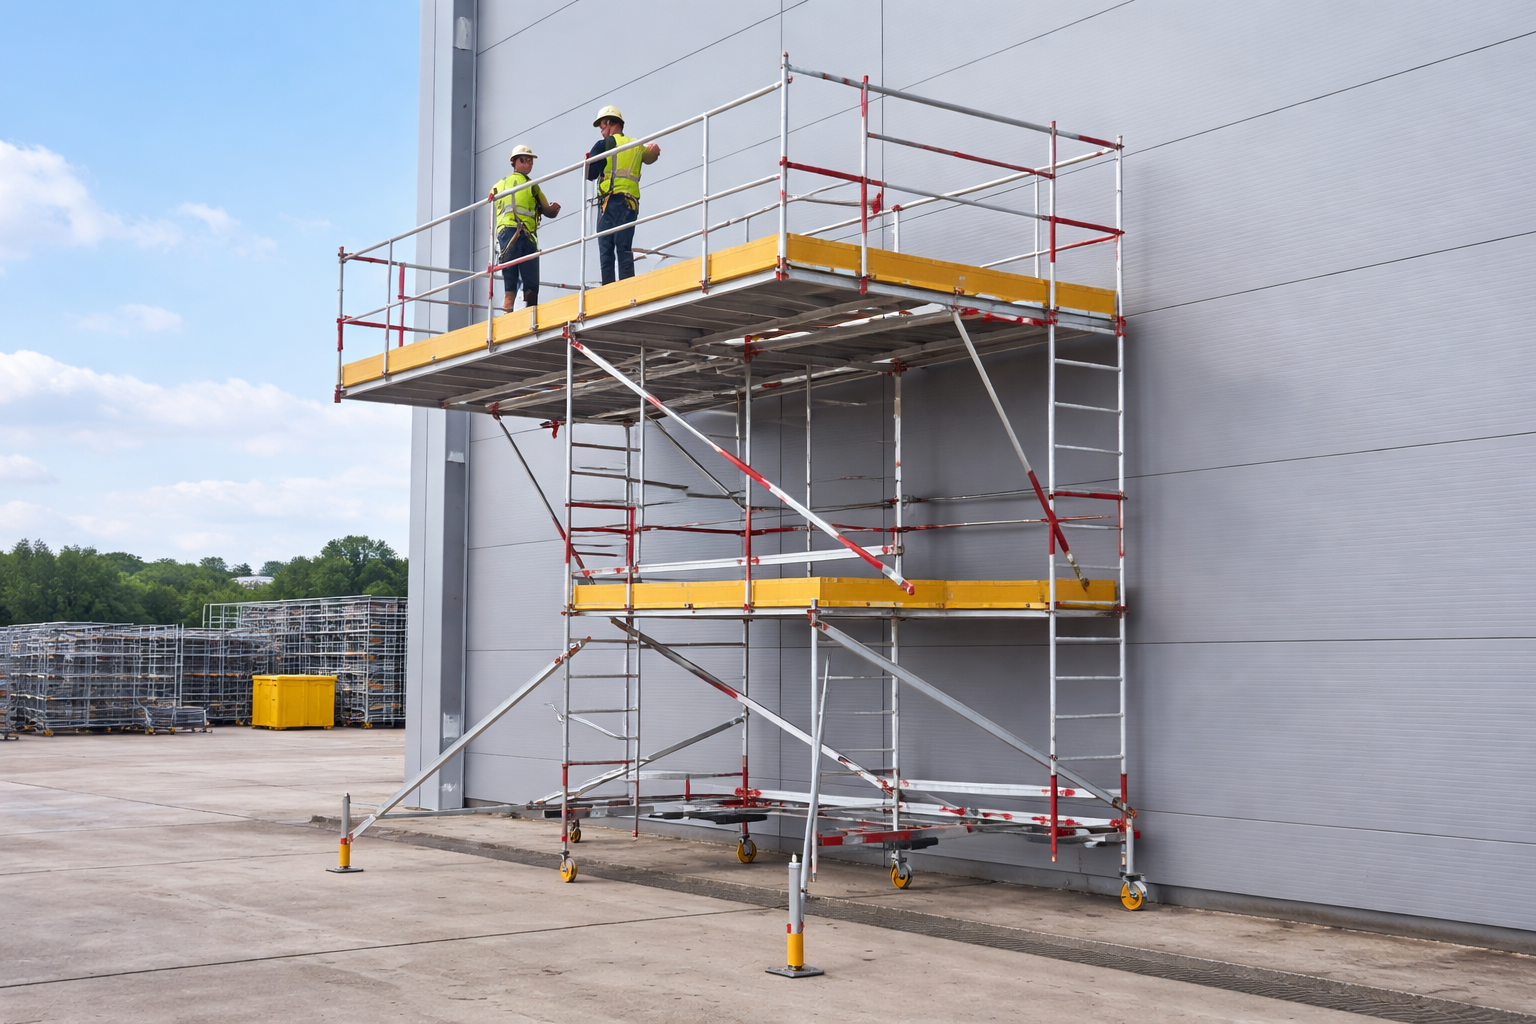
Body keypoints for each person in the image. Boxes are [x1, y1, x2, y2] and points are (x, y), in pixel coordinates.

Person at [585, 105, 660, 284]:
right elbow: (651, 156)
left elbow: (590, 175)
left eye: (602, 126)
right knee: (624, 248)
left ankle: (609, 289)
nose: (601, 131)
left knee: (606, 249)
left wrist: (587, 162)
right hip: (630, 204)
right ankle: (627, 286)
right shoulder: (636, 144)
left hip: (609, 203)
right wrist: (654, 150)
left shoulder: (604, 145)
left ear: (610, 123)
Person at [488, 144, 560, 312]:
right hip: (524, 235)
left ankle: (509, 310)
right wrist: (552, 210)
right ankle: (530, 312)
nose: (529, 163)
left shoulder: (498, 186)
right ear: (514, 161)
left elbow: (491, 207)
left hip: (506, 234)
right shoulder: (532, 185)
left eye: (530, 161)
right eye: (525, 160)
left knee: (510, 274)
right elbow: (547, 210)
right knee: (530, 276)